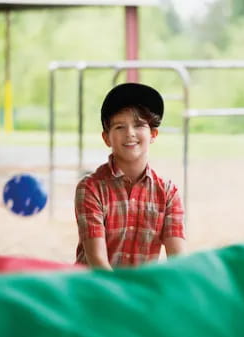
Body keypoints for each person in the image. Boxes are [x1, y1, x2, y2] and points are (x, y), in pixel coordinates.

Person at [74, 83, 186, 269]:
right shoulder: (90, 188)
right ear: (106, 138)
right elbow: (97, 261)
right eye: (119, 127)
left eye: (139, 125)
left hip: (139, 293)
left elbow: (178, 260)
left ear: (153, 134)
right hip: (95, 290)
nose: (130, 134)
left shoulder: (168, 193)